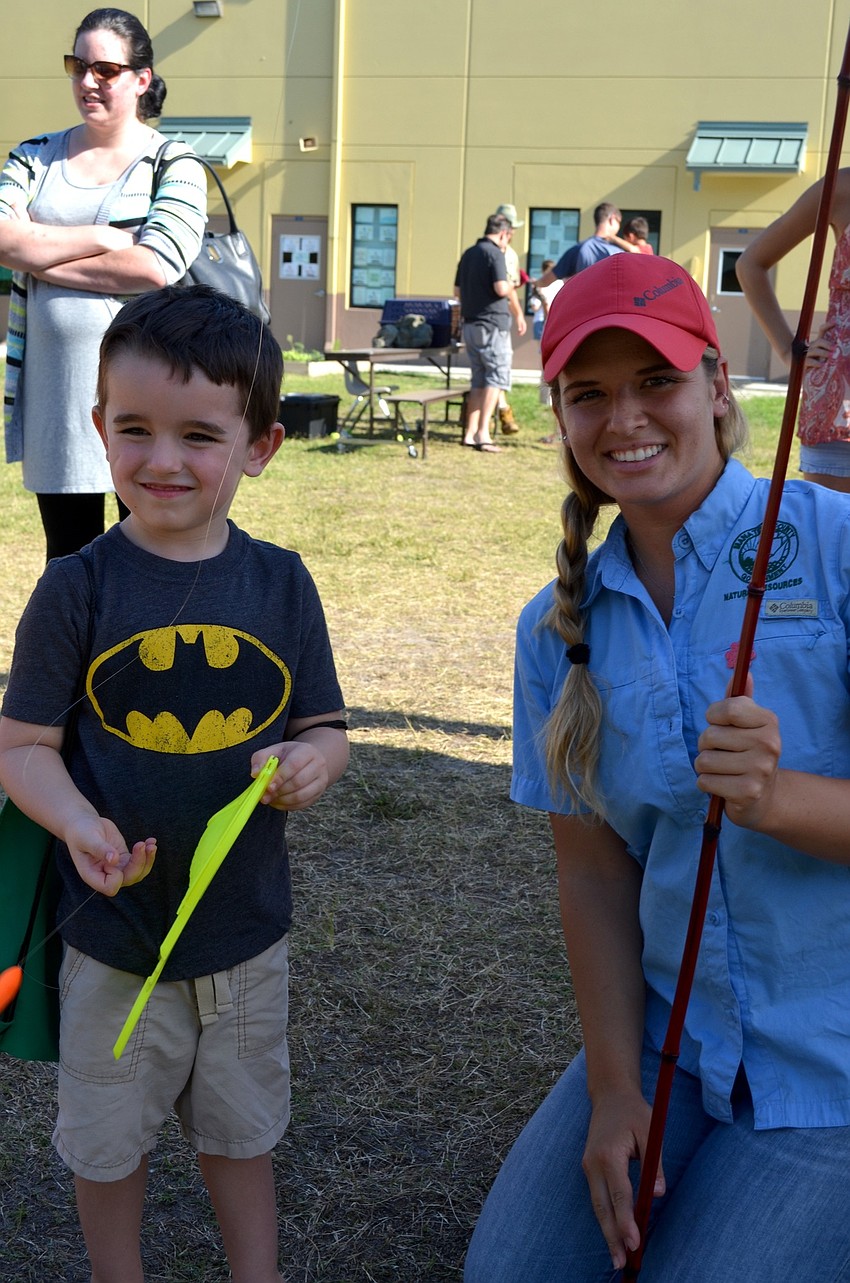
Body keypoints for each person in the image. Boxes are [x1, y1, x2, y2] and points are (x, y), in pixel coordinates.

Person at [464, 252, 850, 1282]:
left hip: (836, 1062)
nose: (624, 418)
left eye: (658, 382)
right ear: (558, 417)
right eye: (588, 395)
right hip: (673, 1043)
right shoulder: (555, 629)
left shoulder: (836, 545)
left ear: (718, 386)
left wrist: (780, 799)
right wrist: (613, 1089)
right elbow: (591, 875)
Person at [0, 284, 350, 1283]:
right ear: (99, 426)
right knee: (108, 1137)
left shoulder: (281, 582)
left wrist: (314, 760)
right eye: (136, 429)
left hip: (244, 934)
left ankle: (258, 1269)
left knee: (240, 1128)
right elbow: (21, 743)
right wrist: (77, 822)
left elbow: (323, 723)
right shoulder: (79, 586)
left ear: (260, 446)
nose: (162, 460)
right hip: (112, 939)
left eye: (199, 434)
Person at [0, 7, 207, 561]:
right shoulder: (34, 155)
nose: (88, 81)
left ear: (141, 80)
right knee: (67, 561)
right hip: (57, 402)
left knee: (148, 560)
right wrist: (105, 236)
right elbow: (1, 238)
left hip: (149, 403)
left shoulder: (174, 162)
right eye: (77, 65)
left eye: (106, 70)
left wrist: (38, 257)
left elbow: (155, 266)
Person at [736, 171, 850, 492]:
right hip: (839, 410)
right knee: (834, 537)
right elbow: (750, 264)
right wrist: (789, 350)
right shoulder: (840, 189)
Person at [454, 212, 526, 453]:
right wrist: (513, 284)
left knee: (478, 380)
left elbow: (456, 291)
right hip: (493, 325)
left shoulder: (468, 254)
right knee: (495, 379)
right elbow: (500, 287)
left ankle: (469, 433)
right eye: (509, 237)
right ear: (503, 233)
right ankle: (484, 434)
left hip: (471, 325)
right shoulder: (495, 253)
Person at [493, 202, 527, 436]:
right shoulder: (505, 255)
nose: (514, 232)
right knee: (498, 369)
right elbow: (509, 290)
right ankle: (503, 412)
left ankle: (500, 410)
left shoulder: (479, 251)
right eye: (512, 227)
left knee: (491, 370)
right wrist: (519, 314)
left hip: (483, 319)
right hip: (497, 318)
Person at [534, 202, 624, 290]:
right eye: (619, 222)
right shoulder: (621, 252)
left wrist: (535, 282)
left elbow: (546, 280)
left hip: (584, 303)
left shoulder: (579, 249)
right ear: (612, 219)